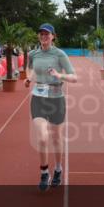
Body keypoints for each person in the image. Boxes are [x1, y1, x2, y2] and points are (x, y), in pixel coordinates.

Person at [24, 23, 76, 190]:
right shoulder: (33, 54)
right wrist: (28, 78)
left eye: (47, 34)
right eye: (41, 34)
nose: (44, 36)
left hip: (56, 99)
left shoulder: (60, 54)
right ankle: (44, 172)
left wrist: (59, 74)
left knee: (56, 138)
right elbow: (29, 68)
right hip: (38, 98)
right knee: (42, 138)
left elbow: (74, 77)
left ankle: (58, 168)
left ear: (53, 36)